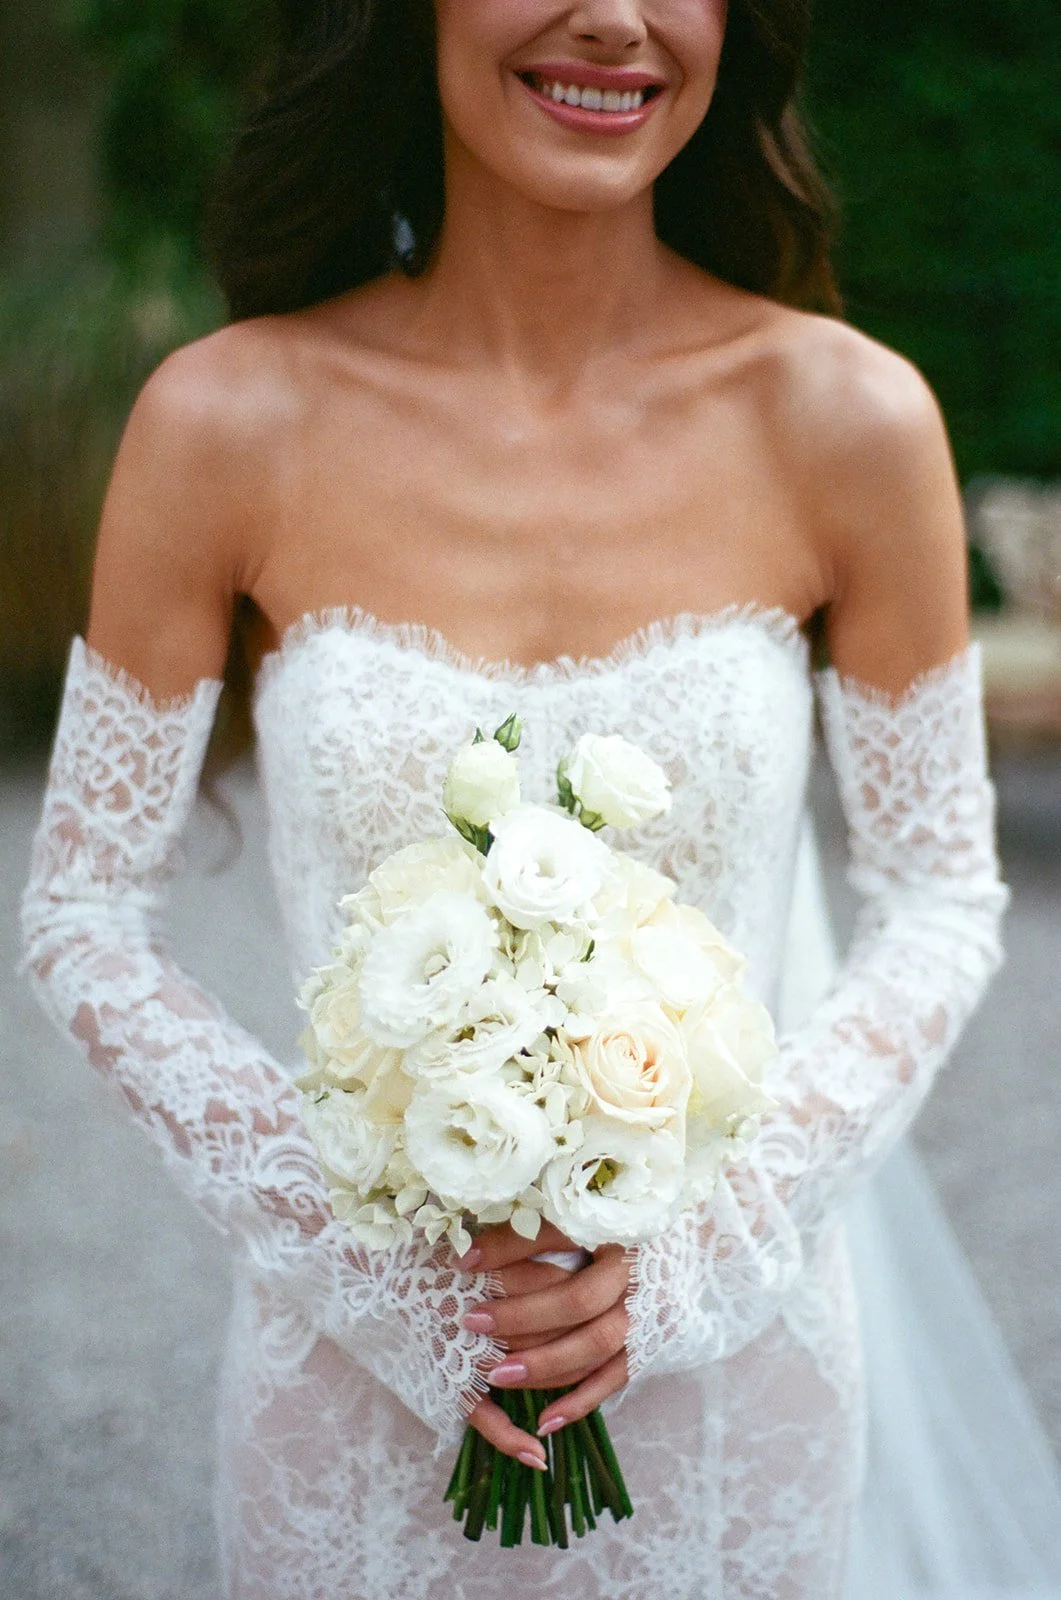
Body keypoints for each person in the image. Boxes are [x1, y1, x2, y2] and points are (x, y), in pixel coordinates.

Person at [18, 1, 1059, 1595]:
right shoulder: (226, 421)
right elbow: (85, 913)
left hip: (735, 1384)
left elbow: (940, 900)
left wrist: (704, 1257)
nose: (618, 19)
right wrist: (365, 1264)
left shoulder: (848, 419)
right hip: (353, 1381)